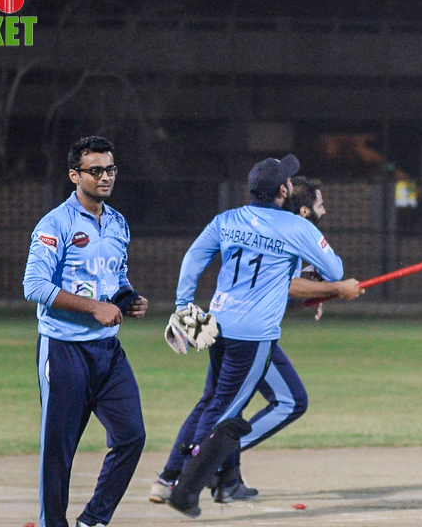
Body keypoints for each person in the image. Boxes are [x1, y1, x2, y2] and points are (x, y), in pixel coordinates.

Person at [149, 177, 364, 505]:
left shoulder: (235, 219)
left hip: (221, 323)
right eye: (320, 205)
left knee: (215, 401)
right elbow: (302, 280)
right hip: (252, 334)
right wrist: (335, 288)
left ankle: (193, 479)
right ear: (301, 208)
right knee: (285, 402)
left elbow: (261, 279)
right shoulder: (294, 229)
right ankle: (196, 473)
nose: (325, 210)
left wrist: (182, 306)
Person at [23, 136, 149, 527]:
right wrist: (94, 307)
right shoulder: (54, 224)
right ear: (74, 175)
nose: (105, 177)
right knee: (59, 449)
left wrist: (128, 298)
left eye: (110, 169)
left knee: (131, 435)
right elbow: (34, 286)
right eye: (95, 170)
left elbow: (116, 276)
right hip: (63, 350)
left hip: (107, 352)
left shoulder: (117, 222)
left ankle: (92, 524)